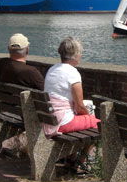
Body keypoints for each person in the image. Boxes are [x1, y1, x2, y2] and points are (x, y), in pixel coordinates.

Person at [43, 37, 100, 172]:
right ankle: (81, 161)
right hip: (61, 121)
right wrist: (89, 117)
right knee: (99, 124)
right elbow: (79, 107)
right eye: (80, 52)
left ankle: (72, 157)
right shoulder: (73, 73)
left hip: (49, 118)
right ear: (75, 55)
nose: (81, 55)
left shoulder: (52, 69)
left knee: (85, 117)